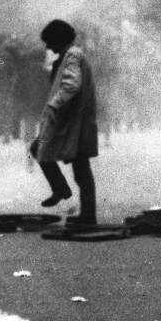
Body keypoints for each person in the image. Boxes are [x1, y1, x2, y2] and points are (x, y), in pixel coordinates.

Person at [31, 19, 98, 226]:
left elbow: (71, 84)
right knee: (41, 149)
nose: (47, 47)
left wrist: (54, 104)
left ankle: (85, 214)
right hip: (70, 122)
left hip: (74, 123)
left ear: (58, 40)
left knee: (81, 170)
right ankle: (64, 192)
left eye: (49, 41)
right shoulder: (68, 56)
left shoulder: (73, 55)